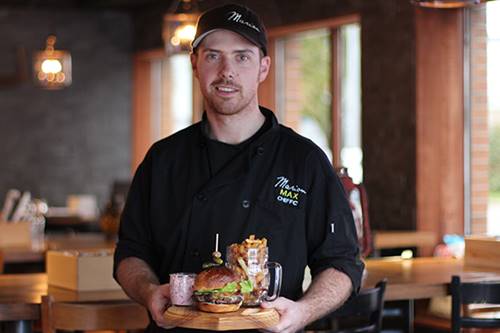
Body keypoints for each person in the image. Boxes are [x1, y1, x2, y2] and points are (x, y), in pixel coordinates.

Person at [114, 3, 364, 333]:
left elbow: (341, 263)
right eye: (213, 55)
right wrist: (149, 292)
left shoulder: (303, 161)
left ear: (263, 67)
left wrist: (303, 312)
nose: (226, 71)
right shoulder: (163, 159)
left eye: (242, 56)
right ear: (195, 64)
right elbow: (130, 254)